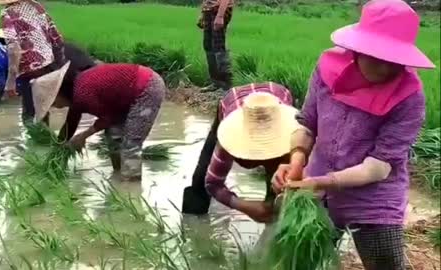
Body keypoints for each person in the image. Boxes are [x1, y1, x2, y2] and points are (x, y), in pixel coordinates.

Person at [271, 1, 435, 269]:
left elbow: (379, 167)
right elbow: (307, 123)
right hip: (317, 186)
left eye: (394, 60)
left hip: (374, 199)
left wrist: (322, 182)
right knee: (299, 260)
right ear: (357, 49)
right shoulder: (328, 69)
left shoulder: (409, 96)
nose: (385, 68)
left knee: (386, 264)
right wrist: (298, 159)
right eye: (377, 57)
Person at [182, 82, 300, 222]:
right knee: (202, 174)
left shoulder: (292, 135)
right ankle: (193, 223)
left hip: (275, 101)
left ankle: (273, 217)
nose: (262, 153)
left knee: (280, 182)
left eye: (268, 146)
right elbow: (213, 183)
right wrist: (243, 206)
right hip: (232, 102)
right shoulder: (230, 135)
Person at [40, 63, 166, 182]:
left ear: (60, 93)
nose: (54, 106)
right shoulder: (75, 95)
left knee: (131, 144)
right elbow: (70, 123)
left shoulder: (82, 94)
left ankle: (130, 187)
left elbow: (107, 119)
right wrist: (60, 147)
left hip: (147, 87)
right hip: (124, 98)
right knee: (113, 135)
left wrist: (83, 136)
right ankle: (119, 174)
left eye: (53, 101)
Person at [0, 0, 66, 125]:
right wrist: (59, 65)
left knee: (30, 115)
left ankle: (34, 142)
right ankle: (46, 141)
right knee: (43, 111)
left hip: (29, 69)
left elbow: (13, 48)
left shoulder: (7, 12)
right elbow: (56, 37)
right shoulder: (36, 6)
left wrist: (10, 81)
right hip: (48, 64)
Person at [197, 0, 234, 92]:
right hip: (209, 10)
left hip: (219, 10)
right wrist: (203, 13)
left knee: (218, 47)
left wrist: (220, 15)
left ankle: (226, 85)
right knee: (208, 46)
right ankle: (216, 82)